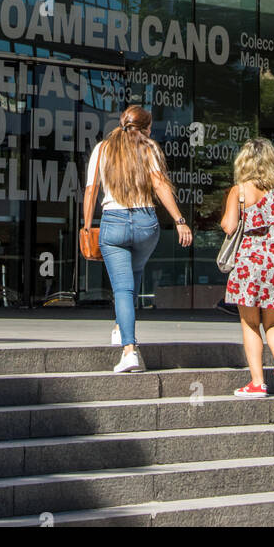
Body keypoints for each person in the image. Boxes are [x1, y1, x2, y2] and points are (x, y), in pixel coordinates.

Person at [83, 104, 192, 372]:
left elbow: (90, 190)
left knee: (123, 288)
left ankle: (129, 350)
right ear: (146, 127)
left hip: (114, 222)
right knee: (134, 275)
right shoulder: (149, 147)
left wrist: (86, 226)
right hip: (146, 222)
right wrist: (179, 220)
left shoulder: (102, 149)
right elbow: (159, 184)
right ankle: (121, 326)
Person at [220, 138, 274, 403]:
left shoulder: (239, 191)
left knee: (251, 324)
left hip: (249, 263)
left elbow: (229, 227)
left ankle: (257, 383)